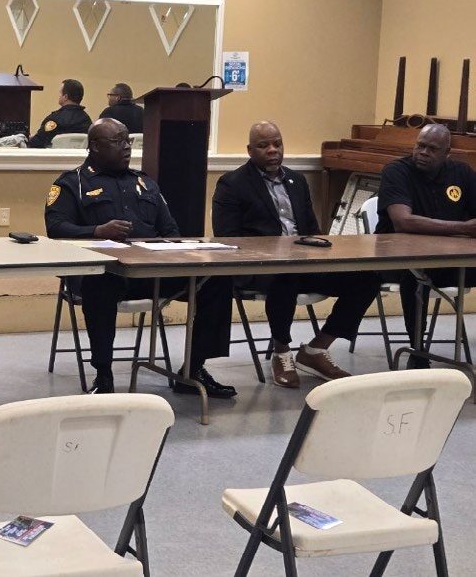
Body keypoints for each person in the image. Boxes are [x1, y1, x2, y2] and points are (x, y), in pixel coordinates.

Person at [45, 117, 236, 397]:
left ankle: (192, 371)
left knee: (216, 279)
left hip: (151, 273)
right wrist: (97, 230)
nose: (126, 147)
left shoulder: (145, 183)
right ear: (94, 146)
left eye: (128, 141)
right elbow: (56, 228)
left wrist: (170, 247)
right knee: (100, 284)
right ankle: (104, 375)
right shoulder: (70, 183)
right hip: (103, 274)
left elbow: (170, 230)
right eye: (118, 142)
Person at [212, 121, 380, 387]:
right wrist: (278, 251)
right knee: (284, 275)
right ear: (249, 150)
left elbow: (311, 230)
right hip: (259, 268)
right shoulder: (232, 184)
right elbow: (227, 237)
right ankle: (281, 353)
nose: (272, 150)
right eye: (263, 145)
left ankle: (316, 349)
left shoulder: (297, 180)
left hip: (302, 262)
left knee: (367, 278)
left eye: (277, 144)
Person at [375, 123, 476, 366]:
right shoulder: (397, 171)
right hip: (399, 260)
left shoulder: (461, 172)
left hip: (451, 259)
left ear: (446, 153)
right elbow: (403, 222)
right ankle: (418, 353)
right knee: (415, 276)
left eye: (432, 149)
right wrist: (462, 228)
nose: (423, 152)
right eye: (420, 146)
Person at [28, 79, 92, 148]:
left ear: (65, 97)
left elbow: (37, 142)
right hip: (79, 158)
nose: (59, 96)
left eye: (60, 93)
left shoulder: (54, 119)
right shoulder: (87, 120)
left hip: (55, 158)